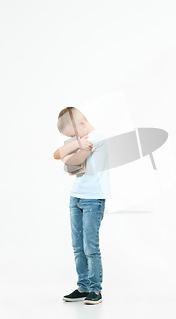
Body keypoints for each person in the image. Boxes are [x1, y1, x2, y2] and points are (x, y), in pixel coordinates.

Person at [53, 106, 111, 305]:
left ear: (82, 124)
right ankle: (83, 287)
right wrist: (77, 144)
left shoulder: (97, 137)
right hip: (75, 198)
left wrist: (69, 152)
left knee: (90, 247)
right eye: (70, 137)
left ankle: (95, 290)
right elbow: (58, 155)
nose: (74, 138)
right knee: (78, 247)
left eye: (74, 134)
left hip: (93, 199)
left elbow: (72, 159)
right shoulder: (82, 140)